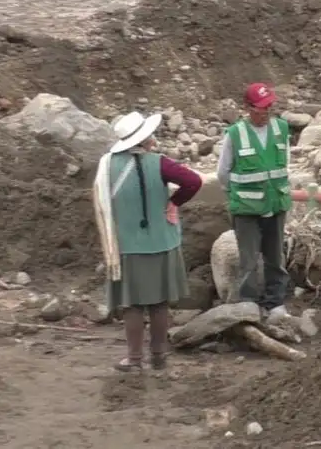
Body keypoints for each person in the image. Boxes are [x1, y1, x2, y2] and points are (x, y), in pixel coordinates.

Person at [93, 110, 203, 372]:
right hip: (162, 243)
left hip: (127, 246)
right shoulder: (161, 163)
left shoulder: (107, 165)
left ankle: (133, 359)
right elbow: (193, 181)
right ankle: (159, 356)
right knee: (159, 303)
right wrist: (174, 203)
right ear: (144, 139)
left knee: (132, 304)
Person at [216, 83, 291, 317]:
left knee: (275, 257)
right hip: (247, 208)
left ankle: (275, 302)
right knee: (248, 260)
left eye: (269, 106)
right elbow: (223, 172)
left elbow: (284, 164)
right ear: (248, 108)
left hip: (276, 204)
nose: (266, 111)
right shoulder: (236, 134)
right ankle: (248, 304)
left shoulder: (281, 128)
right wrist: (239, 194)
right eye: (261, 108)